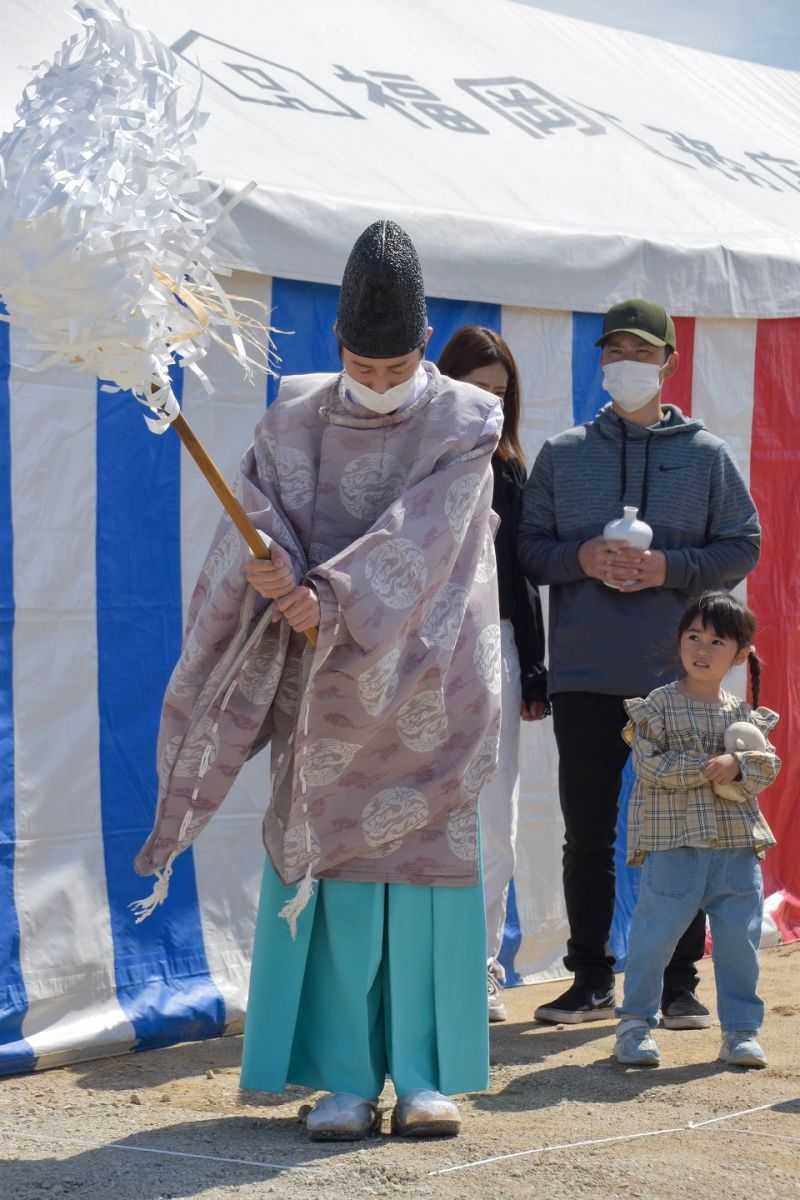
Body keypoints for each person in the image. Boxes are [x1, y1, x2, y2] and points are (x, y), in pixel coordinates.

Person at [134, 220, 504, 1141]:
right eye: (361, 368)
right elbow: (256, 516)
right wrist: (269, 569)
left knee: (423, 880)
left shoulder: (466, 420)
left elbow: (434, 534)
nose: (377, 386)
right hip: (324, 692)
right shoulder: (290, 415)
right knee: (331, 872)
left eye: (394, 369)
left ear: (424, 344)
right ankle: (340, 1076)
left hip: (431, 682)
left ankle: (423, 1075)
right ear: (338, 344)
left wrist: (328, 596)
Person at [518, 298, 761, 1027]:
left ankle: (678, 984)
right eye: (614, 350)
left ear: (668, 361)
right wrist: (581, 556)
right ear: (601, 360)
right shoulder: (563, 454)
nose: (627, 363)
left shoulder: (707, 455)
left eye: (642, 351)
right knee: (587, 831)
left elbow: (742, 544)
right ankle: (591, 977)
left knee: (682, 830)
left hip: (680, 682)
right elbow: (528, 549)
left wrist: (671, 568)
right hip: (587, 673)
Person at [614, 590, 780, 1068]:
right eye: (694, 636)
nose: (702, 650)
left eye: (717, 641)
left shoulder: (744, 715)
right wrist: (709, 766)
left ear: (740, 654)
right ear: (679, 640)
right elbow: (649, 767)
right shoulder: (657, 706)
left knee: (739, 944)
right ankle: (634, 1025)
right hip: (674, 846)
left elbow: (768, 768)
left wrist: (741, 763)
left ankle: (741, 1032)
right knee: (652, 939)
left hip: (736, 847)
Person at [437, 326, 548, 1023]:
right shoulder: (416, 455)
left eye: (499, 394)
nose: (488, 404)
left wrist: (533, 665)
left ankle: (480, 966)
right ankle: (425, 963)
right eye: (476, 389)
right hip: (426, 649)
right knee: (423, 809)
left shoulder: (509, 465)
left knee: (494, 814)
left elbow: (523, 577)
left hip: (497, 646)